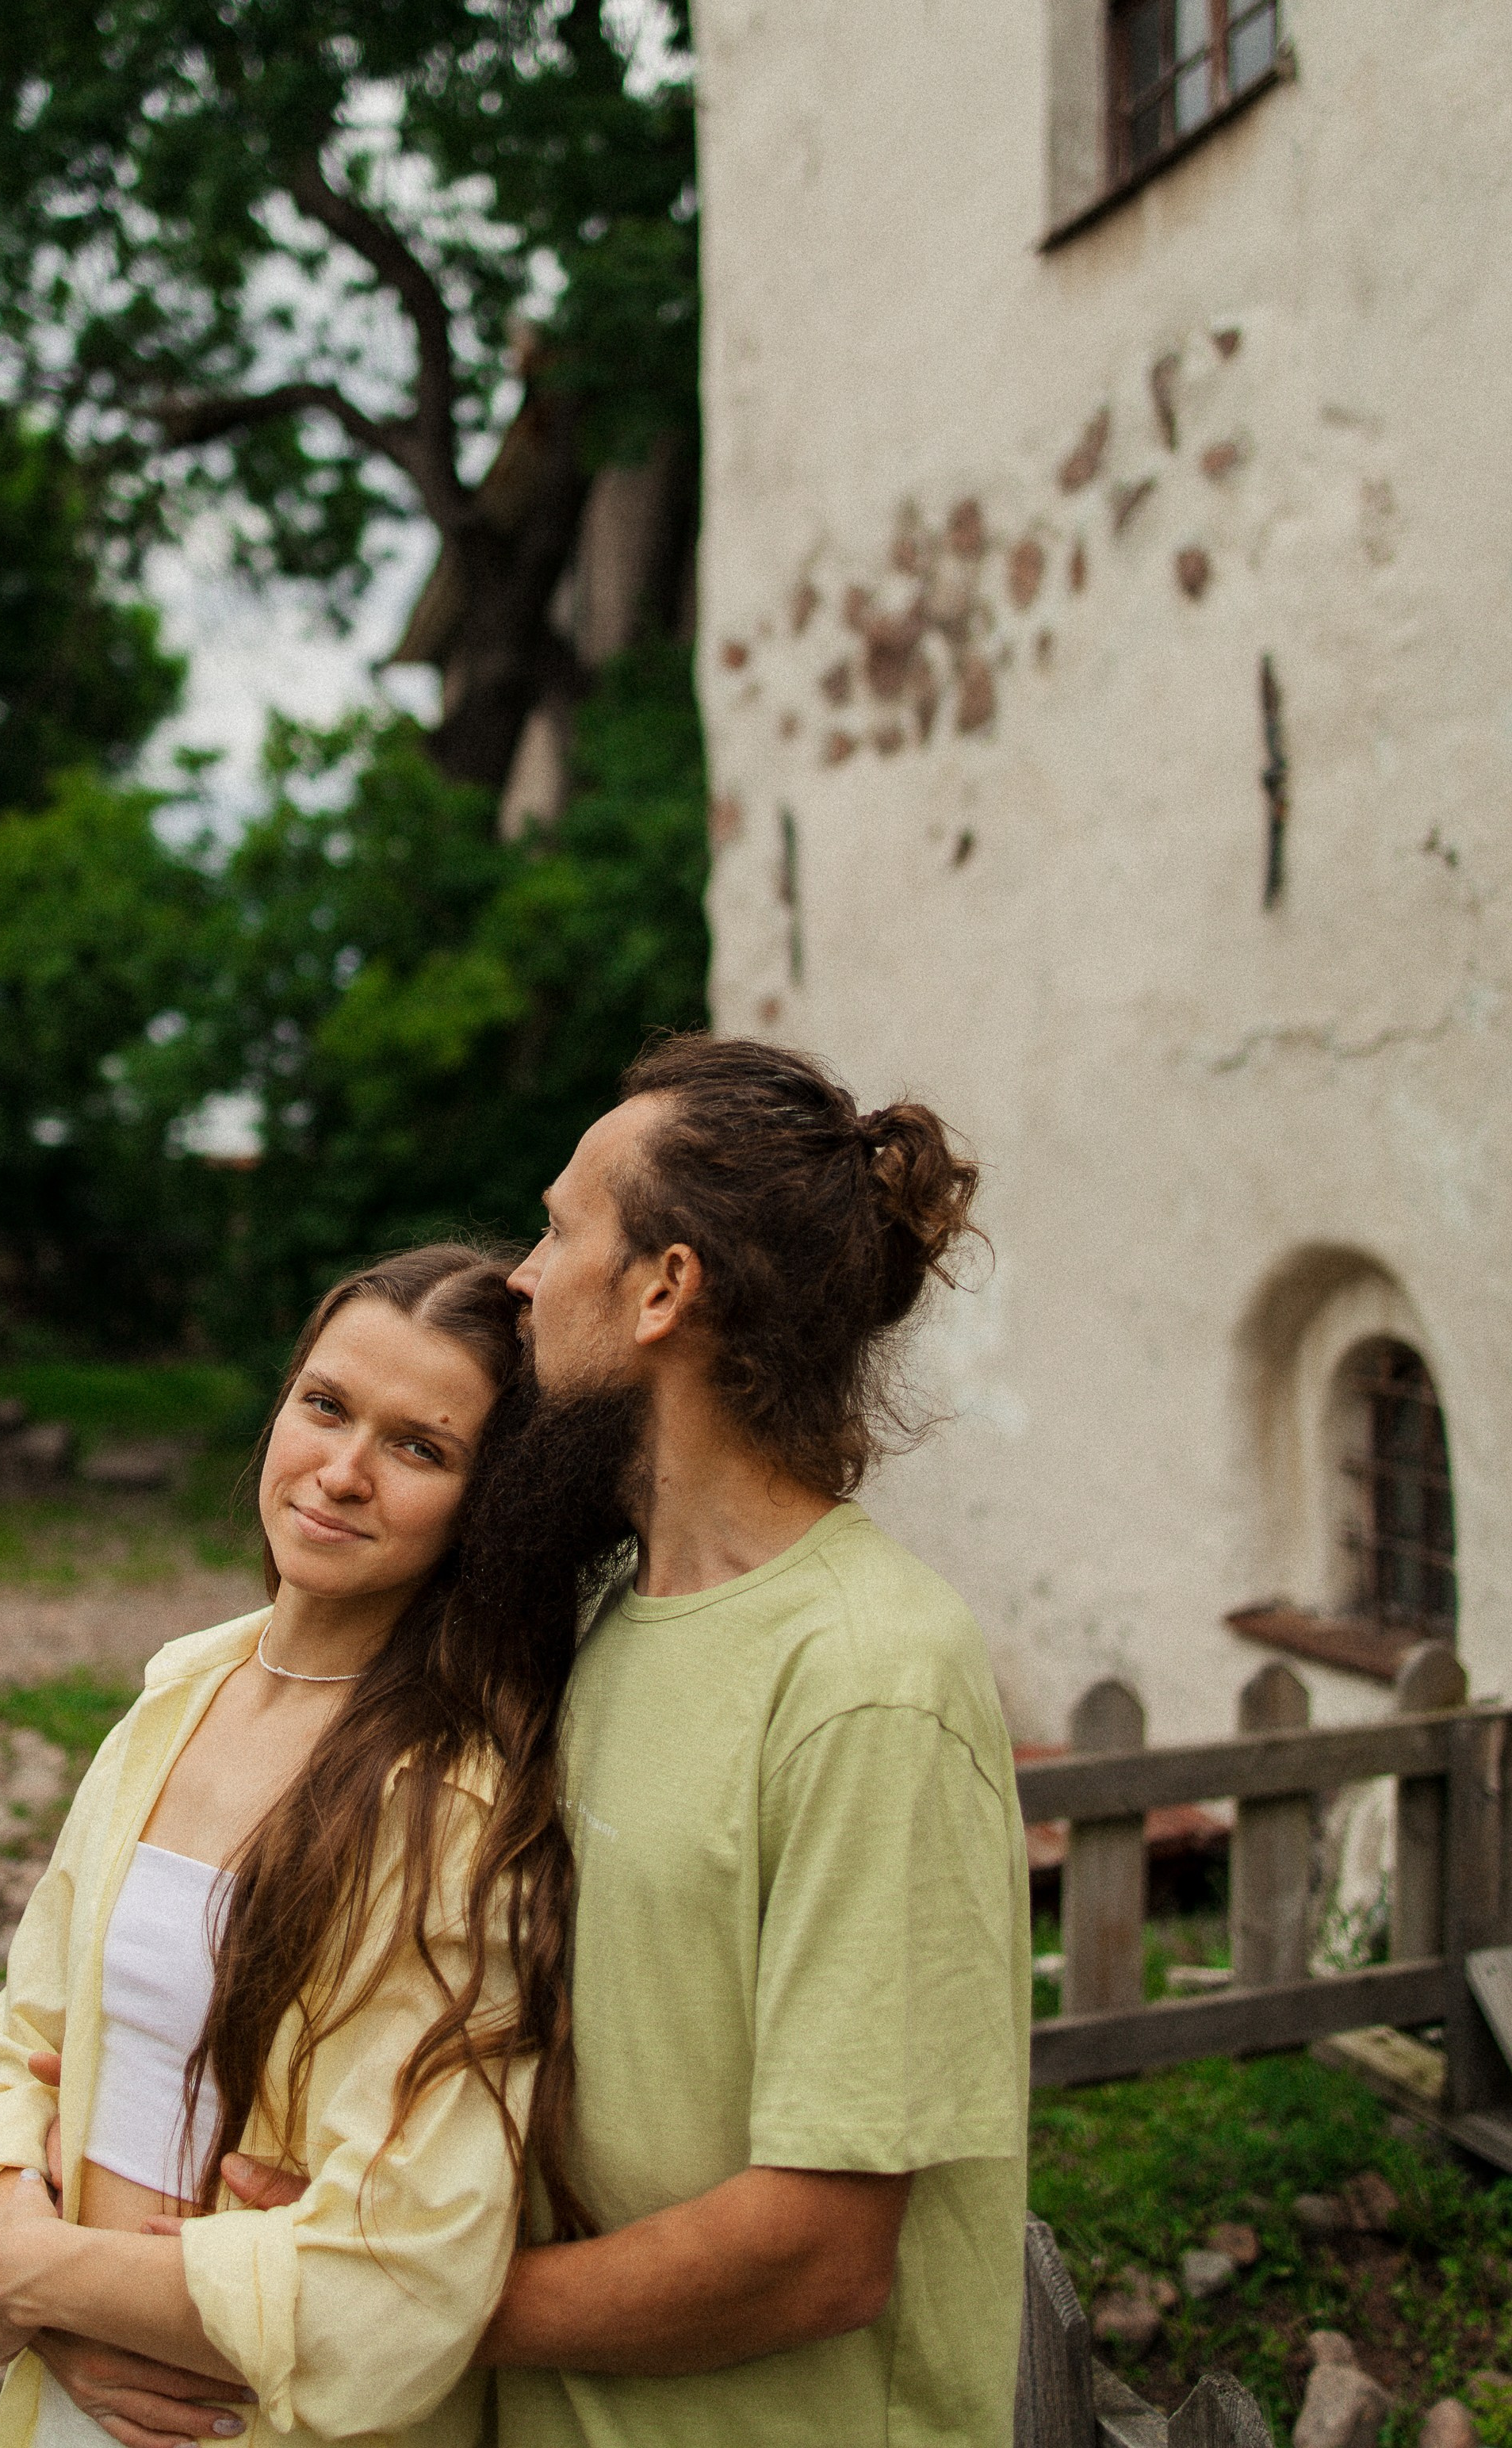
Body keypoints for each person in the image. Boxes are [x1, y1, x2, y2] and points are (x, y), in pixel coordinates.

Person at [0, 1243, 629, 2448]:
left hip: (266, 2419)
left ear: (487, 1505)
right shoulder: (181, 1692)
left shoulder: (457, 1804)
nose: (343, 1472)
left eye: (421, 1448)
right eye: (326, 1406)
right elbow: (24, 2034)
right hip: (67, 2402)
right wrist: (15, 2230)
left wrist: (35, 2283)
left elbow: (401, 2266)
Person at [471, 1034, 1032, 2448]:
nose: (518, 1279)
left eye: (556, 1229)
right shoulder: (607, 1604)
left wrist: (397, 2307)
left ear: (666, 1288)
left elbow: (820, 2250)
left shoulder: (868, 1677)